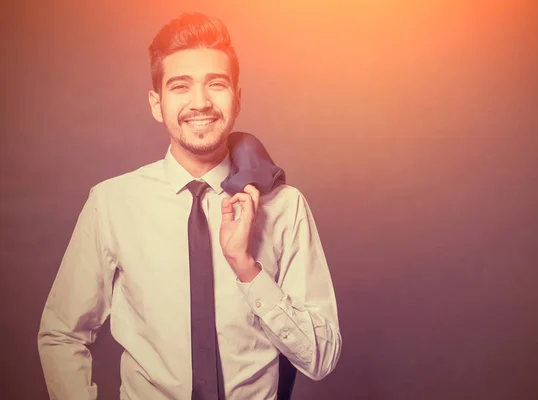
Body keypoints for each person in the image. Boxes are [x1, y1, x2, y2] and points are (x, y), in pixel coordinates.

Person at [38, 12, 342, 400]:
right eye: (180, 86)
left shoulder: (284, 206)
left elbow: (322, 357)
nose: (200, 102)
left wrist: (247, 270)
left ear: (237, 98)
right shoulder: (111, 203)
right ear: (156, 102)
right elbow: (62, 333)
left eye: (216, 84)